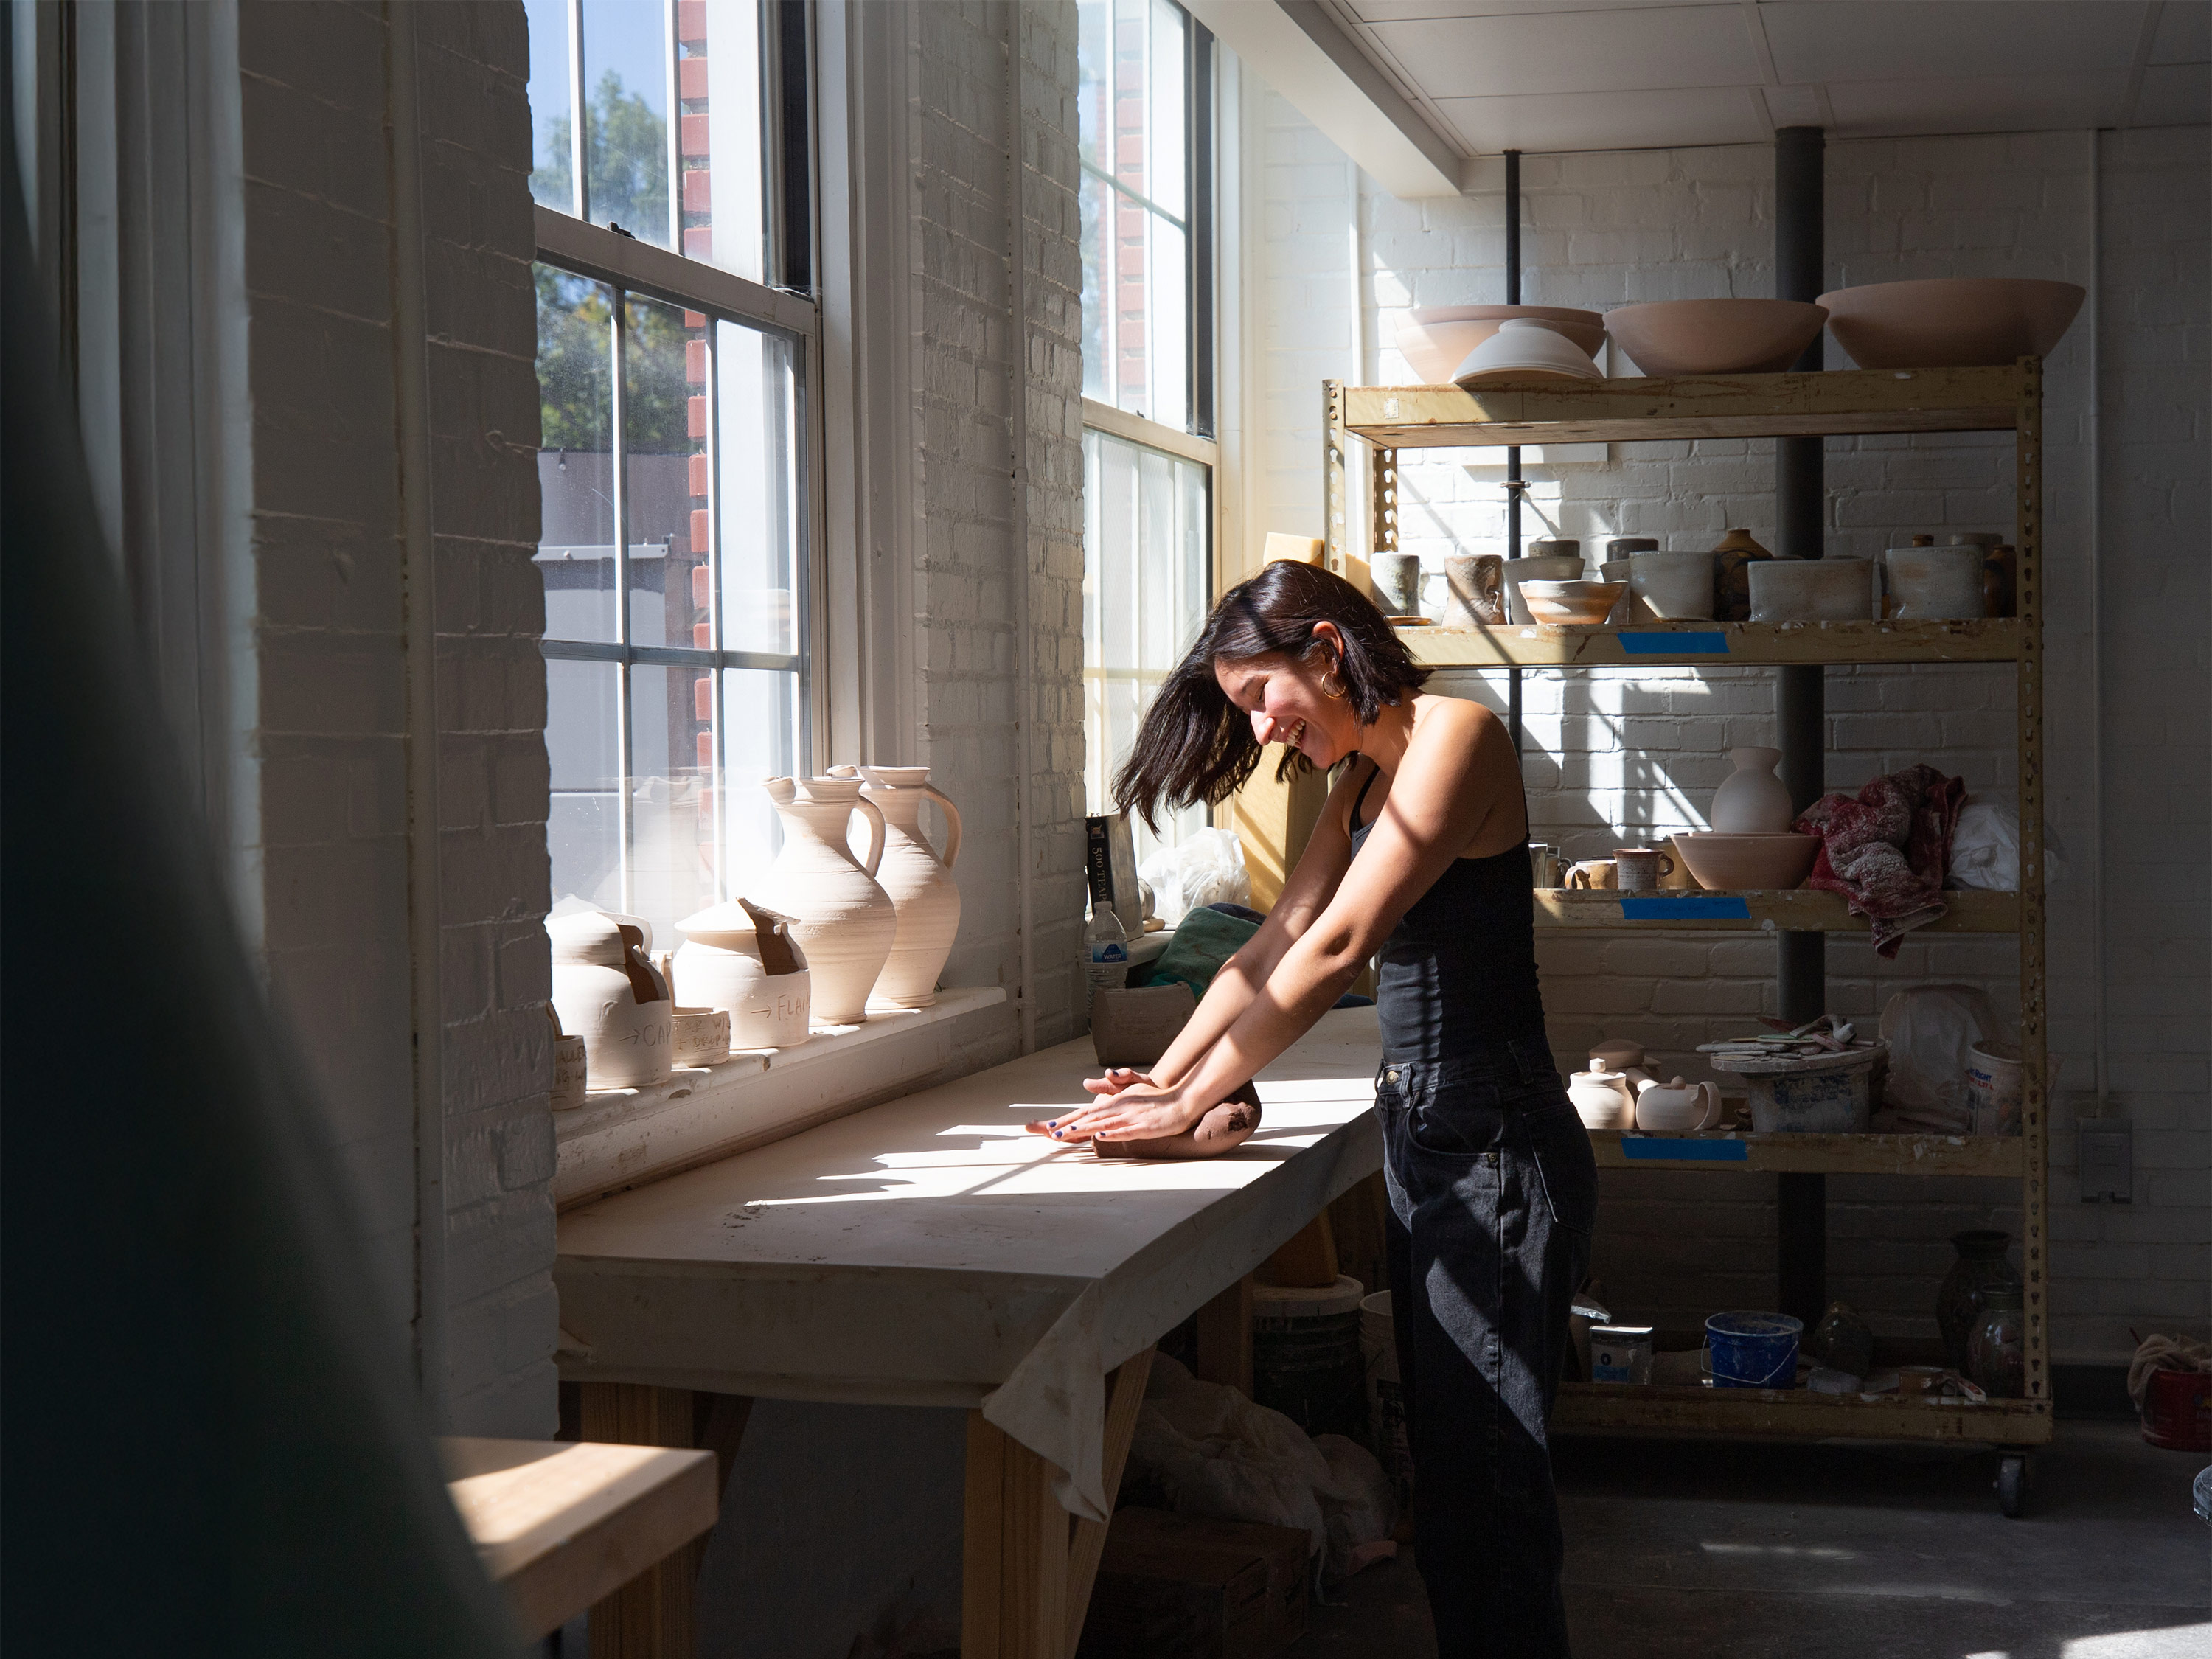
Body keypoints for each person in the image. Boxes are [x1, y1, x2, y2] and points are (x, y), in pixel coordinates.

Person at [1027, 560, 1596, 1656]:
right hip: (1429, 1134)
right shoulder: (1361, 781)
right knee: (1452, 1488)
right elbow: (1271, 942)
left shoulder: (1458, 738)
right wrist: (1162, 1084)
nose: (1264, 730)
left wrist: (1191, 1100)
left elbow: (1338, 948)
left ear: (1328, 650)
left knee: (1487, 1497)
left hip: (1498, 1140)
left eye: (1262, 698)